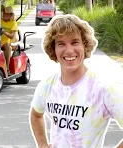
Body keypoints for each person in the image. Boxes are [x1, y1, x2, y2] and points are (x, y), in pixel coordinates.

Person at [29, 14, 123, 148]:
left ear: (85, 45)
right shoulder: (47, 86)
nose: (69, 50)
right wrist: (42, 144)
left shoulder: (103, 88)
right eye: (61, 44)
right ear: (53, 49)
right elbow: (36, 115)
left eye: (75, 42)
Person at [0, 6, 18, 75]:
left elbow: (12, 36)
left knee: (8, 47)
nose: (5, 15)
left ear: (11, 15)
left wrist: (4, 32)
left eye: (7, 14)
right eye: (4, 13)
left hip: (5, 42)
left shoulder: (13, 23)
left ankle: (6, 68)